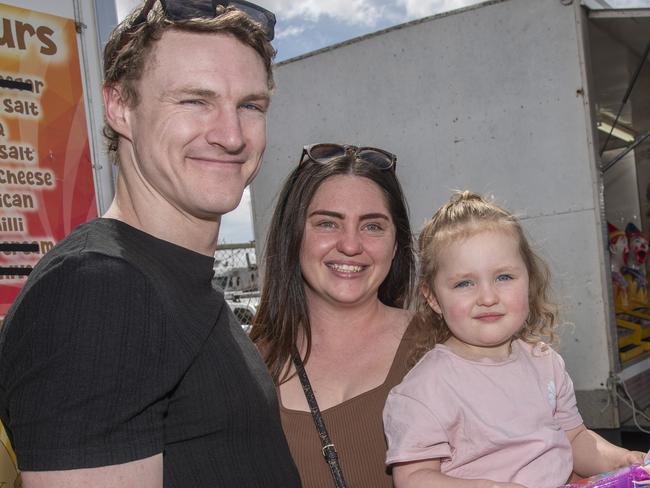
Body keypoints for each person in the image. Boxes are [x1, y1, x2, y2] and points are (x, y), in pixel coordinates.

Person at [0, 1, 301, 487]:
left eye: (250, 105)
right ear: (120, 106)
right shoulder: (97, 290)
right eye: (194, 101)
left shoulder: (172, 283)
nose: (231, 135)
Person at [383, 191, 646, 488]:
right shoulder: (424, 389)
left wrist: (623, 460)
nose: (488, 297)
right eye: (464, 283)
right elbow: (413, 479)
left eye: (504, 277)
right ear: (432, 298)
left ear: (529, 281)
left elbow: (575, 439)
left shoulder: (545, 363)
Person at [250, 143, 416, 487]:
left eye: (372, 226)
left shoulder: (444, 347)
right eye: (327, 223)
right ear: (293, 236)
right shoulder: (250, 369)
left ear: (396, 243)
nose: (351, 245)